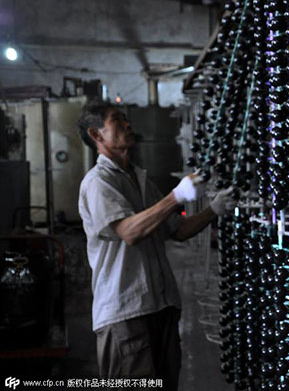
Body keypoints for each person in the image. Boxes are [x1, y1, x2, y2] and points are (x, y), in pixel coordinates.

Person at [77, 101, 234, 390]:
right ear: (96, 134)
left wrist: (214, 208)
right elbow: (129, 231)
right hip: (125, 313)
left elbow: (178, 230)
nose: (127, 124)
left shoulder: (139, 178)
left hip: (159, 307)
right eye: (117, 120)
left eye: (126, 119)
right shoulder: (98, 183)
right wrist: (176, 197)